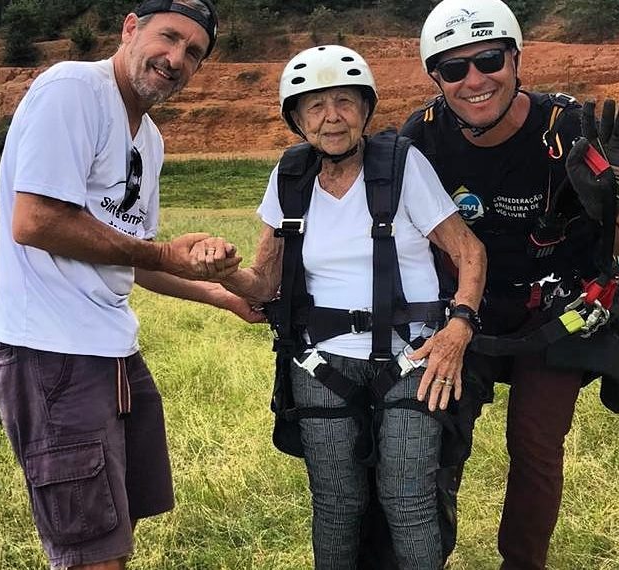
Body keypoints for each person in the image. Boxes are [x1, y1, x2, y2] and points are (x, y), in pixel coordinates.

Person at [0, 1, 261, 569]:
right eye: (168, 37)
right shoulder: (72, 91)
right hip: (53, 356)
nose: (175, 58)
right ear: (130, 28)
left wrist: (221, 296)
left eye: (193, 53)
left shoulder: (149, 140)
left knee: (114, 528)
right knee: (92, 553)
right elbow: (36, 219)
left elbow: (128, 256)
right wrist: (166, 251)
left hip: (112, 352)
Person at [401, 1, 619, 569]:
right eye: (453, 68)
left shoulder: (567, 128)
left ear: (516, 58)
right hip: (464, 314)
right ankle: (423, 556)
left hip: (556, 313)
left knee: (536, 447)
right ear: (435, 78)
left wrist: (610, 192)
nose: (475, 80)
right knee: (429, 437)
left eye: (489, 59)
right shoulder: (421, 138)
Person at [207, 45, 488, 569]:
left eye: (344, 101)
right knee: (335, 505)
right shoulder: (291, 179)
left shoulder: (403, 166)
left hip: (413, 356)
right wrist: (223, 272)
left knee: (408, 501)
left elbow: (468, 250)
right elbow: (265, 282)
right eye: (314, 106)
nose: (331, 117)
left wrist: (459, 326)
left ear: (365, 109)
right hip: (321, 363)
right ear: (296, 118)